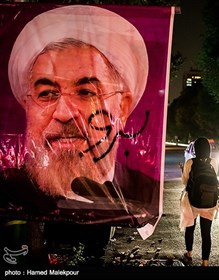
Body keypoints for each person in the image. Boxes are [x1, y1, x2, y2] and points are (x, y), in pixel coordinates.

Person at [0, 5, 160, 264]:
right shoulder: (8, 191)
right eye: (46, 93)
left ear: (123, 105)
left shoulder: (142, 192)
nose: (64, 113)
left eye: (86, 92)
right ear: (28, 106)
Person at [179, 137, 219, 266]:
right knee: (206, 233)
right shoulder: (214, 162)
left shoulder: (190, 162)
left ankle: (189, 254)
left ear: (195, 149)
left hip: (193, 201)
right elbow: (214, 177)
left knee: (190, 228)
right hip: (209, 201)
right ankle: (205, 262)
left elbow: (185, 182)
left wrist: (182, 171)